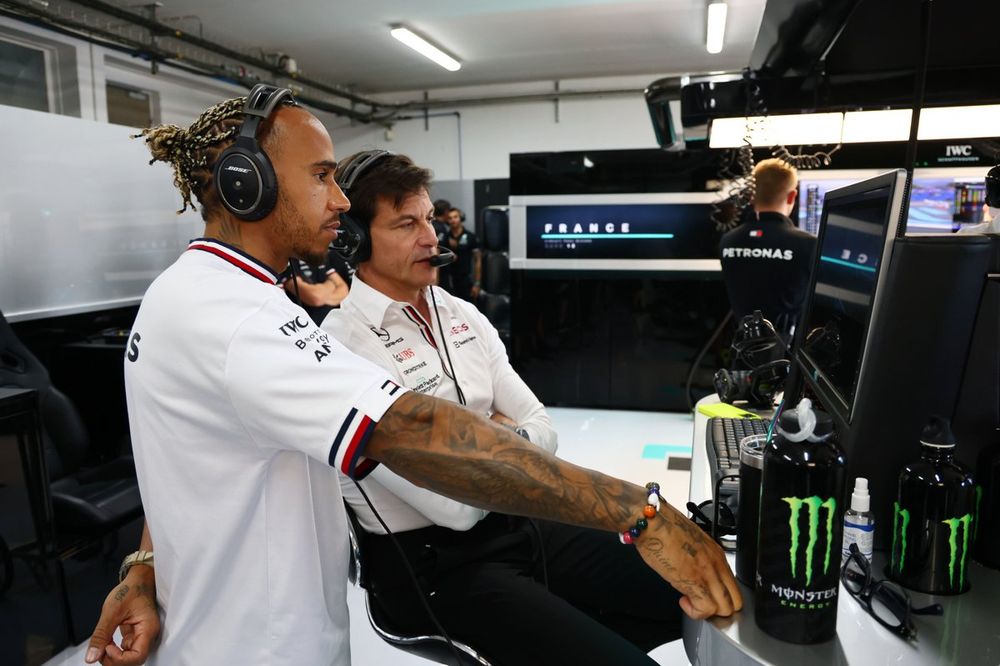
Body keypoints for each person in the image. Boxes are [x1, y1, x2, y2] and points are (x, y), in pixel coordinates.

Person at [84, 85, 740, 666]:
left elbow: (182, 462)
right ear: (245, 183)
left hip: (258, 631)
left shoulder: (196, 295)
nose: (339, 199)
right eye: (321, 176)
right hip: (257, 645)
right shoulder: (237, 317)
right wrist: (640, 512)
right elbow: (419, 435)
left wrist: (143, 566)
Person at [323, 150, 688, 665]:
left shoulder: (461, 314)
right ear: (355, 239)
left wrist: (491, 449)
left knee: (682, 586)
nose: (431, 237)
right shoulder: (343, 345)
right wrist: (505, 440)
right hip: (435, 568)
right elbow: (455, 511)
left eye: (428, 218)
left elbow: (544, 428)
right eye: (406, 224)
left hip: (517, 519)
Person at [719, 158, 816, 333]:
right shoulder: (808, 244)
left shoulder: (728, 240)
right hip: (788, 347)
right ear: (792, 196)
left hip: (742, 345)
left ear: (751, 195)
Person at [281, 244, 352, 325]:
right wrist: (331, 284)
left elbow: (344, 290)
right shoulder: (287, 260)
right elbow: (314, 297)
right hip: (309, 323)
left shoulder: (317, 255)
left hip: (334, 318)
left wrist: (322, 296)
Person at [436, 206, 482, 301]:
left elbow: (478, 261)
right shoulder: (444, 237)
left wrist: (477, 283)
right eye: (450, 218)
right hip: (448, 281)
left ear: (461, 218)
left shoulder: (470, 236)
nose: (453, 220)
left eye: (455, 217)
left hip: (465, 280)